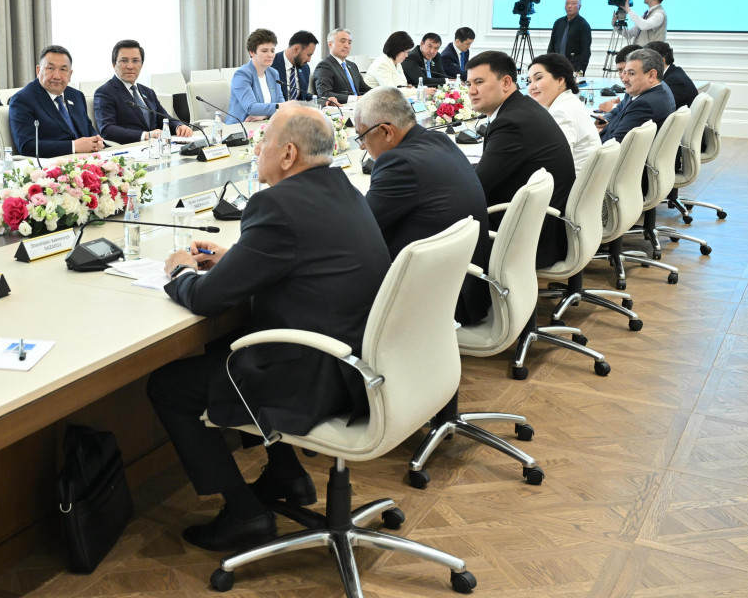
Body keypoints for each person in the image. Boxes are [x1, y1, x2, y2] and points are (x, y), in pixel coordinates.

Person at [147, 106, 390, 552]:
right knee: (225, 346)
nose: (257, 149)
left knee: (167, 386)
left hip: (312, 377)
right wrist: (237, 260)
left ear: (288, 154)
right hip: (355, 366)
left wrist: (181, 272)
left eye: (264, 142)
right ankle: (287, 474)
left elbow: (206, 300)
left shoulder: (275, 204)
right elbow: (305, 252)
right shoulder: (342, 187)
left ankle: (244, 514)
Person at [355, 87, 490, 325]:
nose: (362, 147)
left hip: (438, 301)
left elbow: (361, 228)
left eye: (362, 137)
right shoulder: (439, 139)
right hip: (468, 285)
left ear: (386, 131)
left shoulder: (398, 162)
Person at [468, 51, 575, 268]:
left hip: (532, 239)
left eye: (479, 82)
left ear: (506, 83)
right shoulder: (522, 108)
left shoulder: (511, 123)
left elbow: (476, 187)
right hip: (546, 225)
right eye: (468, 83)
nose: (471, 91)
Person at [8, 45, 103, 157]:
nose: (57, 76)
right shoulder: (22, 100)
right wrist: (73, 146)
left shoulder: (77, 96)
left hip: (87, 159)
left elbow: (88, 129)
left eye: (63, 69)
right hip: (52, 163)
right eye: (50, 68)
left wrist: (97, 141)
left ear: (70, 74)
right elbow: (26, 146)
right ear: (38, 70)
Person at [93, 39, 193, 144]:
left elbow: (164, 118)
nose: (130, 66)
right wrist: (146, 135)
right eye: (124, 61)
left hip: (156, 146)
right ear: (114, 64)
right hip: (130, 148)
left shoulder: (148, 92)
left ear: (141, 65)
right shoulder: (104, 92)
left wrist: (178, 126)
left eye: (135, 61)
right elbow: (107, 130)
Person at [527, 53, 601, 176]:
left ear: (560, 80)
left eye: (538, 78)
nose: (531, 87)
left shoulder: (561, 111)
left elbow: (554, 163)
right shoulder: (569, 102)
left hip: (571, 184)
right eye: (529, 81)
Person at [597, 48, 676, 143]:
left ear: (651, 75)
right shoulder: (645, 92)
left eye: (631, 73)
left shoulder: (645, 105)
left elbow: (614, 143)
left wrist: (593, 137)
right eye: (625, 72)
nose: (624, 79)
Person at [227, 28, 295, 124]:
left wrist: (265, 116)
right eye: (264, 51)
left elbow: (281, 105)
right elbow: (250, 107)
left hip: (265, 125)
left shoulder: (273, 73)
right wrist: (279, 107)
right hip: (241, 128)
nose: (270, 55)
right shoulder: (242, 74)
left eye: (272, 51)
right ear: (252, 52)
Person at [311, 27, 365, 104]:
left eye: (349, 43)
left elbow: (364, 88)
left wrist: (380, 93)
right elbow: (324, 94)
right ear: (330, 44)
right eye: (343, 41)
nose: (347, 46)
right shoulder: (325, 65)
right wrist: (356, 99)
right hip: (342, 107)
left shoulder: (352, 65)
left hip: (360, 106)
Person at [645, 40, 697, 109]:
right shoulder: (673, 72)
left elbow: (657, 107)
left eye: (647, 61)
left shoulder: (676, 81)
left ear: (661, 61)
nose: (643, 65)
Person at [547, 0, 592, 74]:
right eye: (567, 3)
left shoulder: (583, 25)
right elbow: (551, 45)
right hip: (556, 65)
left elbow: (585, 51)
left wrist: (580, 72)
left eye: (573, 3)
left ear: (579, 6)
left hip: (574, 67)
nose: (569, 6)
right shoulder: (558, 23)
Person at [268, 30, 318, 102]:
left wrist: (323, 100)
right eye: (308, 55)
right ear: (296, 49)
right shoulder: (271, 64)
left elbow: (303, 96)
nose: (309, 60)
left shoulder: (305, 68)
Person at [596, 44, 641, 114]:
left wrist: (614, 108)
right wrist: (620, 106)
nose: (623, 75)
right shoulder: (631, 90)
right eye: (620, 70)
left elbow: (636, 114)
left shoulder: (649, 96)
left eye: (629, 71)